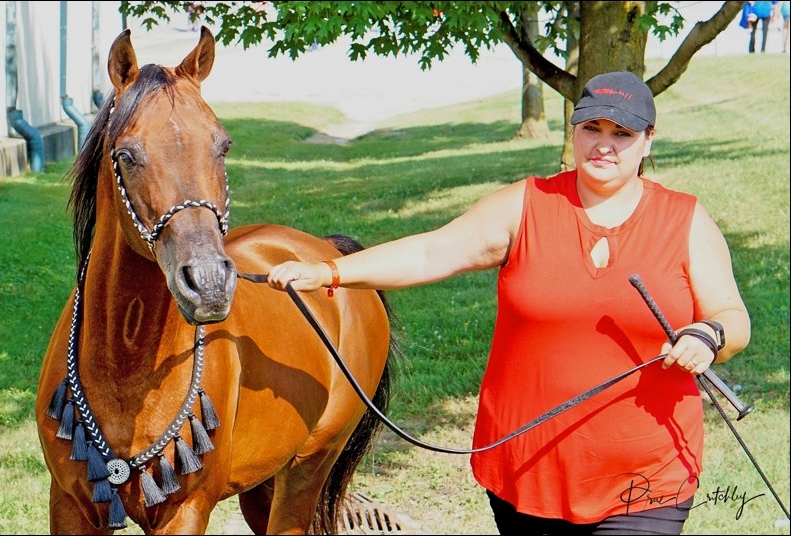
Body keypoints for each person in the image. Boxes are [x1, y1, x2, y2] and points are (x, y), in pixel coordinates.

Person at [267, 71, 751, 535]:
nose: (604, 144)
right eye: (591, 128)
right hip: (528, 470)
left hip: (646, 478)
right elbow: (432, 250)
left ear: (648, 140)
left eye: (622, 133)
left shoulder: (683, 219)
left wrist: (709, 335)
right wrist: (329, 271)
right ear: (575, 130)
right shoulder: (527, 205)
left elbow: (732, 318)